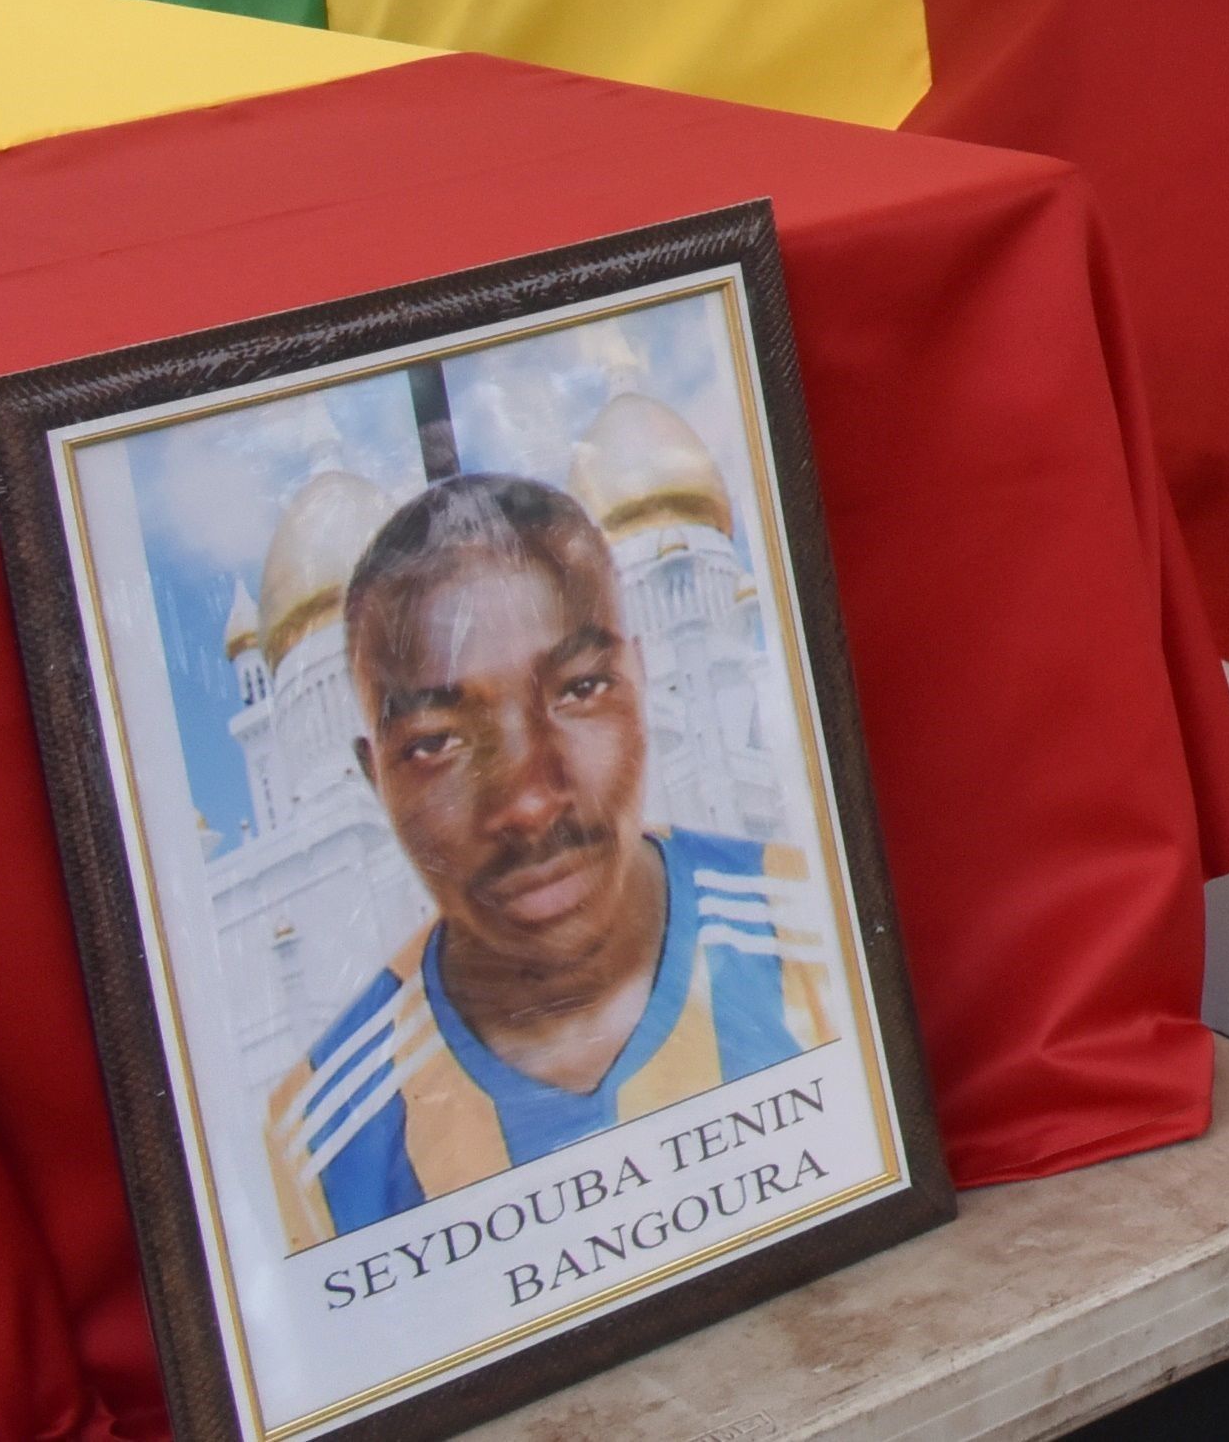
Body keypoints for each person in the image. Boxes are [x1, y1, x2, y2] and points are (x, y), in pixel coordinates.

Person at [265, 472, 844, 1244]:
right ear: (375, 780)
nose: (529, 803)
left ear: (640, 685)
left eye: (581, 689)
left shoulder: (826, 946)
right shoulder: (323, 1147)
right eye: (436, 743)